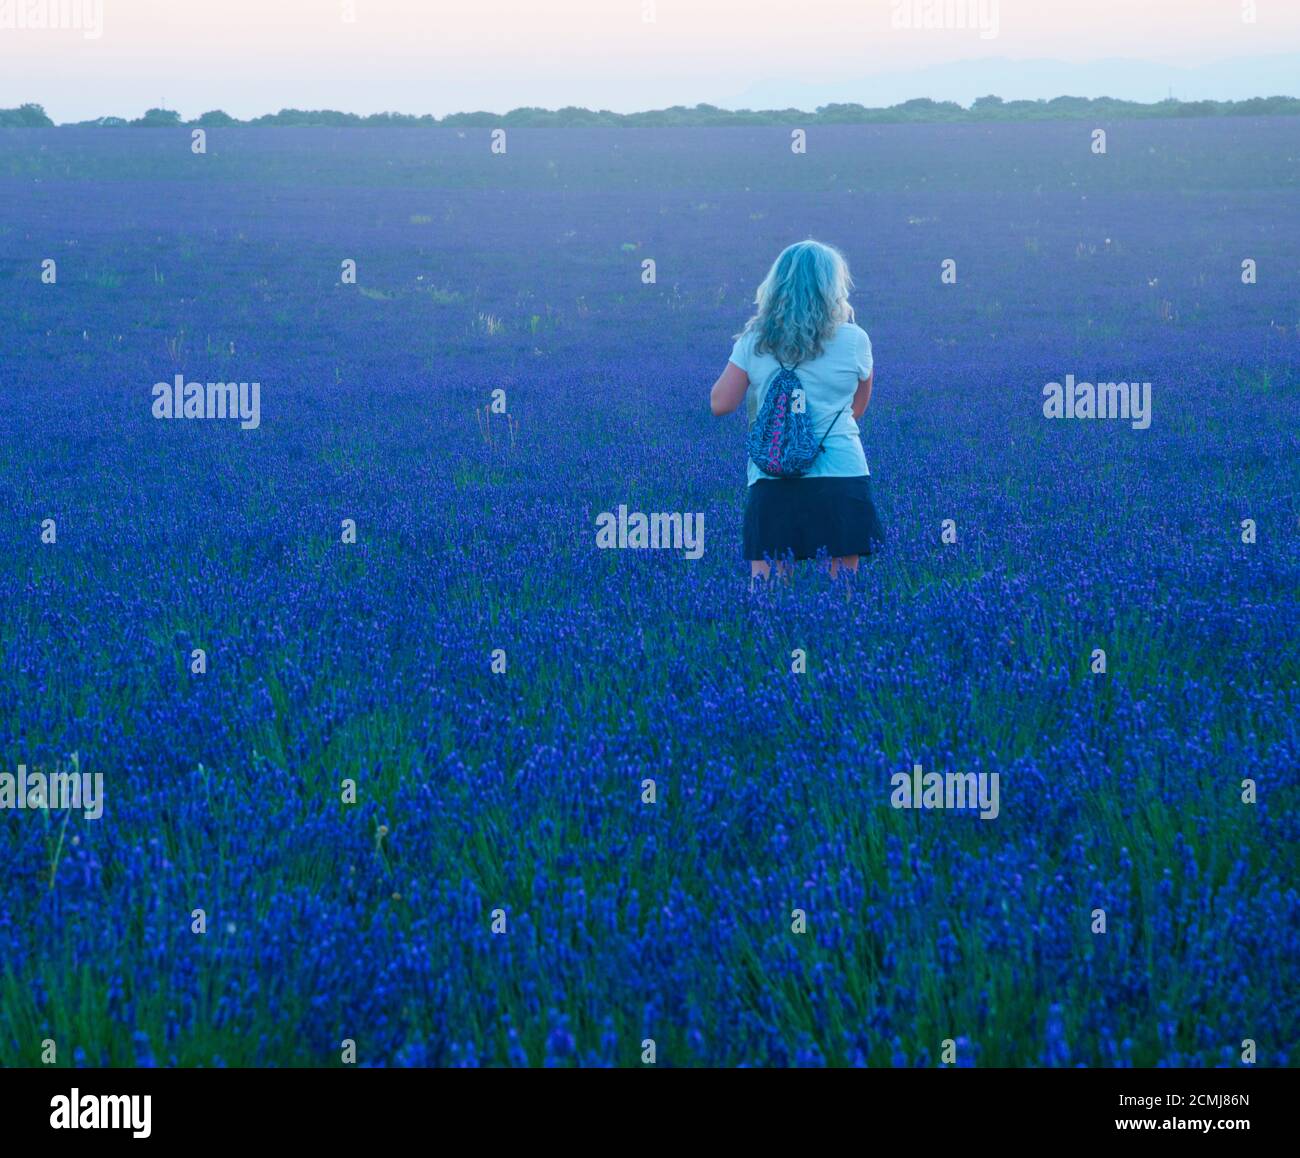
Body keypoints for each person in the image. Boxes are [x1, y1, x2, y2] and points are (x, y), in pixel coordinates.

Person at [710, 239, 884, 582]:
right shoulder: (855, 340)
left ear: (776, 286)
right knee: (843, 602)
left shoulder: (754, 341)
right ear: (833, 288)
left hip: (773, 479)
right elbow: (856, 409)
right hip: (841, 474)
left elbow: (720, 403)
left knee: (768, 602)